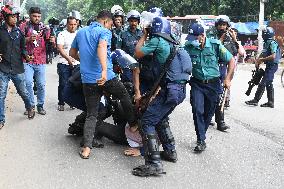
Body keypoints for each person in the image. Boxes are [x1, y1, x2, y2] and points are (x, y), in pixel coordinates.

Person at [69, 10, 137, 159]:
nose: (111, 26)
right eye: (111, 24)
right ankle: (132, 124)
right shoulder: (104, 32)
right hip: (106, 77)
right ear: (106, 21)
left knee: (91, 114)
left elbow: (72, 53)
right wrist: (104, 70)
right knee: (124, 95)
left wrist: (85, 61)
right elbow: (101, 47)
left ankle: (86, 148)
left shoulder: (81, 32)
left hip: (88, 79)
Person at [131, 17, 190, 177]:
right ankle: (170, 152)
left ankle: (154, 164)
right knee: (160, 118)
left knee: (147, 121)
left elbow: (137, 52)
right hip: (179, 91)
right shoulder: (175, 42)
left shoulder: (157, 40)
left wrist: (144, 35)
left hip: (169, 91)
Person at [184, 23, 235, 152]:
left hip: (213, 84)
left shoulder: (215, 45)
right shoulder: (188, 47)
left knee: (208, 113)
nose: (192, 41)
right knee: (197, 110)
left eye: (194, 38)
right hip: (197, 83)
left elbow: (231, 60)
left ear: (202, 36)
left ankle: (202, 133)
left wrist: (227, 78)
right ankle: (201, 140)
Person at [0, 5, 35, 130]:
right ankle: (1, 119)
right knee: (1, 94)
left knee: (23, 92)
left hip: (17, 68)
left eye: (16, 17)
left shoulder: (19, 32)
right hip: (3, 68)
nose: (15, 19)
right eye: (12, 16)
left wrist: (27, 57)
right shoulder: (0, 31)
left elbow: (23, 49)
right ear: (6, 17)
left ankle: (30, 107)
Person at [20, 7, 55, 115]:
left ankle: (40, 105)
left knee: (40, 84)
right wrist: (28, 39)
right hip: (27, 60)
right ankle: (30, 106)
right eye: (34, 16)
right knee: (28, 83)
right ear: (30, 15)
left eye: (39, 16)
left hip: (41, 60)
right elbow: (18, 41)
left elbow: (50, 44)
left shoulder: (45, 28)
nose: (37, 18)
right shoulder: (23, 26)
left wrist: (53, 41)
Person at [209, 15, 239, 131]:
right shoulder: (212, 35)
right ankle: (209, 116)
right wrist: (221, 37)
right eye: (220, 25)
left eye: (224, 25)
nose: (222, 27)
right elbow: (213, 48)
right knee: (212, 94)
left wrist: (234, 38)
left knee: (220, 95)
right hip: (212, 68)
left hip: (223, 68)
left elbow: (236, 52)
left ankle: (220, 122)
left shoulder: (230, 37)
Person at [245, 27, 281, 108]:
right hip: (269, 65)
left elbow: (273, 56)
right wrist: (258, 61)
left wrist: (261, 59)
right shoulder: (266, 43)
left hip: (272, 66)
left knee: (263, 83)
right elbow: (263, 53)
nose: (261, 35)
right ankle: (270, 102)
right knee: (268, 83)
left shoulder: (272, 43)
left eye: (263, 33)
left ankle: (255, 100)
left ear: (266, 34)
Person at [56, 16, 79, 111]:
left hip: (77, 63)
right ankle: (61, 102)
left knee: (75, 84)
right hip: (63, 63)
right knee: (63, 83)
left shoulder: (79, 34)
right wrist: (68, 58)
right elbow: (60, 48)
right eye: (71, 24)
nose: (73, 26)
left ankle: (71, 102)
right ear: (67, 25)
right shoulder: (62, 34)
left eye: (74, 24)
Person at [120, 10, 143, 83]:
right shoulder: (123, 34)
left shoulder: (142, 34)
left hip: (140, 64)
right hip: (127, 65)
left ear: (138, 22)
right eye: (131, 21)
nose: (133, 23)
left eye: (135, 21)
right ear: (129, 22)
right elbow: (119, 50)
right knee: (128, 85)